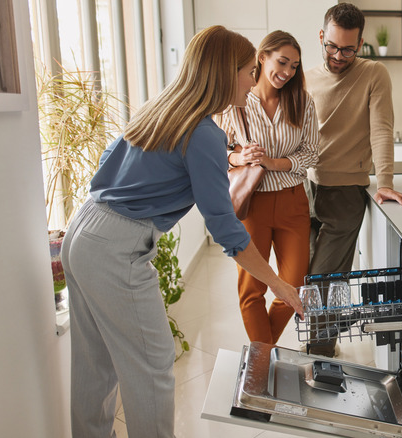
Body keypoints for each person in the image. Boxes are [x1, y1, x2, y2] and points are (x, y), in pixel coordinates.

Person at [60, 26, 303, 438]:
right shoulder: (205, 135)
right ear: (227, 73)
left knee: (94, 364)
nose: (251, 80)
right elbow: (225, 227)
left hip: (82, 231)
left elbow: (104, 168)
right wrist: (280, 285)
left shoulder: (159, 109)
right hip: (116, 248)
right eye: (247, 70)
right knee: (153, 364)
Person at [304, 2, 402, 356]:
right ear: (321, 37)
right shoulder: (304, 77)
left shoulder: (373, 74)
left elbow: (381, 129)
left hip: (345, 192)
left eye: (348, 49)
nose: (339, 56)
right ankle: (322, 341)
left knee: (325, 277)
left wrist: (384, 180)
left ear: (361, 44)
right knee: (306, 274)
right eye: (332, 46)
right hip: (304, 188)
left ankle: (320, 353)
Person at [215, 31, 319, 345]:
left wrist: (276, 163)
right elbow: (215, 150)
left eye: (294, 66)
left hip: (293, 201)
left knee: (295, 284)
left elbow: (312, 152)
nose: (286, 72)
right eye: (282, 62)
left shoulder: (302, 101)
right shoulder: (236, 101)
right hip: (252, 204)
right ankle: (264, 367)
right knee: (252, 289)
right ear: (263, 57)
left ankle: (260, 357)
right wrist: (237, 155)